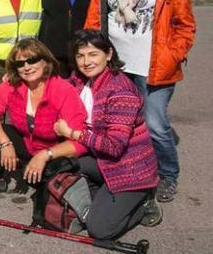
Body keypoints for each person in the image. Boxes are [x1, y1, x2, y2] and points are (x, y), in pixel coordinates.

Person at [85, 0, 196, 203]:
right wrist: (94, 54)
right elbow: (95, 19)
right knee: (123, 124)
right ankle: (135, 168)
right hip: (117, 66)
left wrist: (174, 55)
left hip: (155, 67)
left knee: (155, 124)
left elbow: (185, 25)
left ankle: (168, 174)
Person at [51, 30, 162, 239]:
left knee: (99, 230)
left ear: (109, 54)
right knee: (60, 163)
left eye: (93, 54)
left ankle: (143, 201)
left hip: (129, 169)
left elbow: (114, 146)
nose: (86, 62)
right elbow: (56, 87)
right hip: (100, 159)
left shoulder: (121, 91)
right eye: (80, 55)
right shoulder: (80, 80)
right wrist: (21, 79)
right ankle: (102, 192)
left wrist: (72, 133)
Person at [0, 39, 87, 195]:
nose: (27, 67)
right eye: (20, 64)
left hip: (54, 153)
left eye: (32, 60)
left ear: (45, 61)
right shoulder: (12, 85)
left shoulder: (63, 90)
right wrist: (5, 143)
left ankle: (32, 176)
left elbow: (80, 143)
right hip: (27, 144)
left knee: (48, 190)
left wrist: (44, 155)